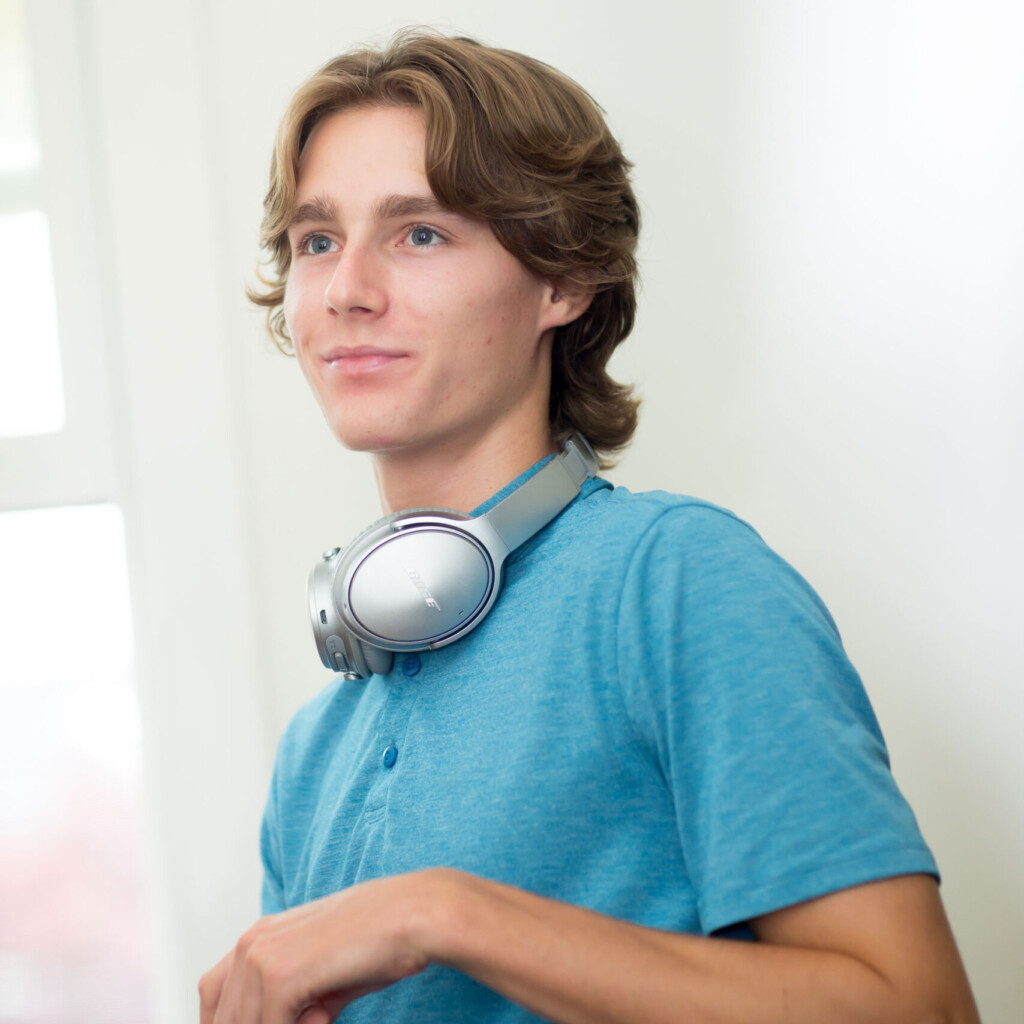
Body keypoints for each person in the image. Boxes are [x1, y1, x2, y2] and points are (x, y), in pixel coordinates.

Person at [200, 31, 979, 1024]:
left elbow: (920, 1008)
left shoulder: (678, 582)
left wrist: (442, 912)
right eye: (317, 241)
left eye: (419, 233)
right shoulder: (316, 750)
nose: (346, 289)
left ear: (562, 282)